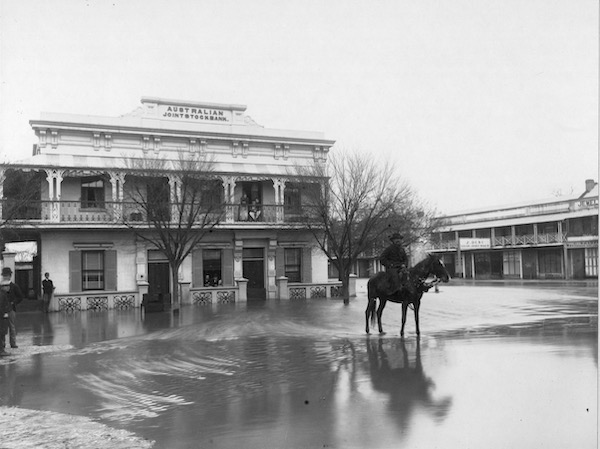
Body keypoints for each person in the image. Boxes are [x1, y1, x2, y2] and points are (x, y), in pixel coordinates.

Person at [0, 267, 23, 350]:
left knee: (11, 327)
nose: (5, 277)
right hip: (2, 310)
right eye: (4, 275)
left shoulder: (14, 286)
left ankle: (13, 343)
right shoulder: (1, 286)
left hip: (11, 309)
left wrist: (14, 302)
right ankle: (2, 344)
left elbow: (20, 297)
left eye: (6, 275)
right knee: (2, 327)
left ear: (10, 276)